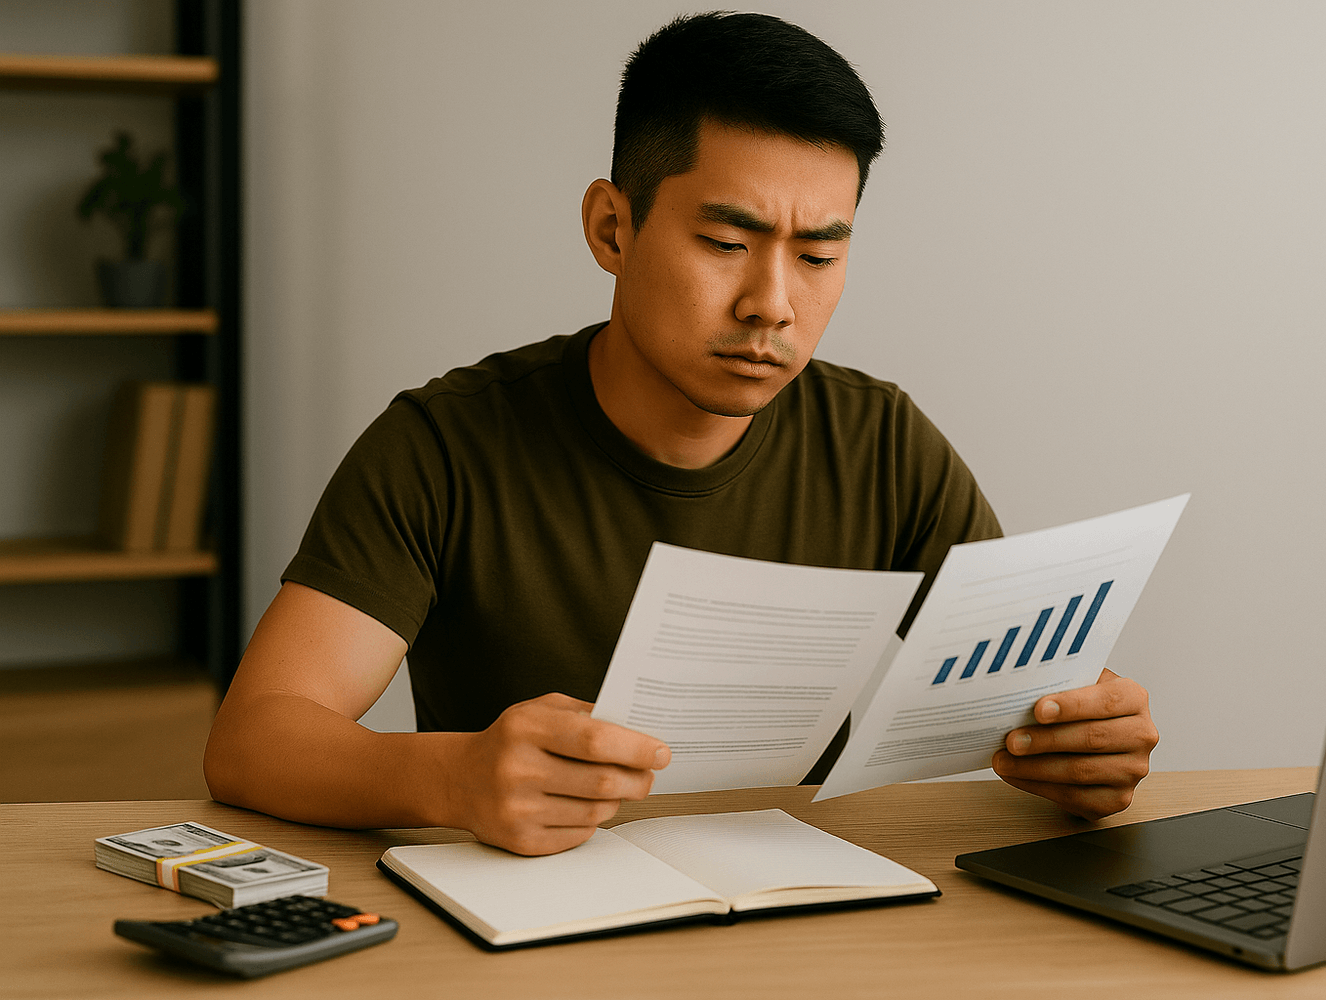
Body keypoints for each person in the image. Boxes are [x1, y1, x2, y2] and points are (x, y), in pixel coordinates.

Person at [204, 12, 1158, 857]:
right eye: (726, 244)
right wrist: (451, 780)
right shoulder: (444, 445)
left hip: (806, 927)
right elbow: (257, 738)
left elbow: (1032, 701)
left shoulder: (882, 443)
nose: (773, 305)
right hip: (523, 932)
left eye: (821, 254)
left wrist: (1080, 748)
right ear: (612, 229)